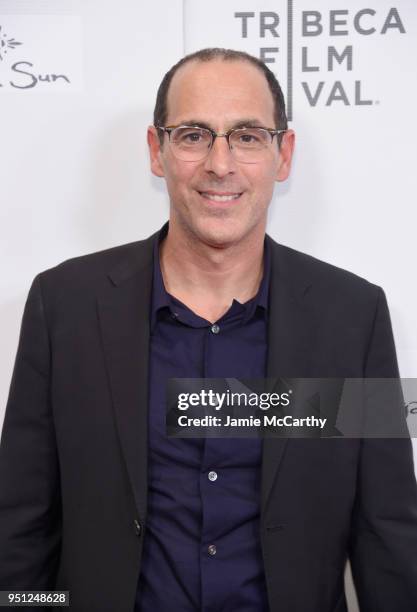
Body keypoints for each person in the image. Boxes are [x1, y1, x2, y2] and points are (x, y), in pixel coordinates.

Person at [1, 47, 417, 612]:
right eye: (194, 135)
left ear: (283, 154)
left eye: (247, 136)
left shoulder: (352, 316)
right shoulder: (66, 306)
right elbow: (21, 530)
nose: (220, 164)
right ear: (157, 150)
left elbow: (388, 536)